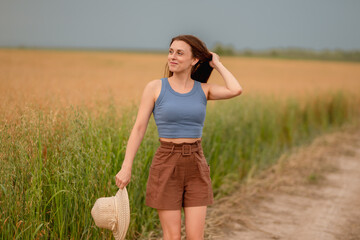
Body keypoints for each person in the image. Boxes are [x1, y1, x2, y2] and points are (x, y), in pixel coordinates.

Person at [115, 34, 242, 240]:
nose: (172, 57)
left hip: (196, 164)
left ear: (194, 60)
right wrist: (126, 166)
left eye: (180, 53)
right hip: (166, 163)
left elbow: (236, 89)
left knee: (195, 237)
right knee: (172, 236)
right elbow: (139, 128)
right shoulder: (155, 88)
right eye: (171, 51)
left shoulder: (203, 89)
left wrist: (216, 63)